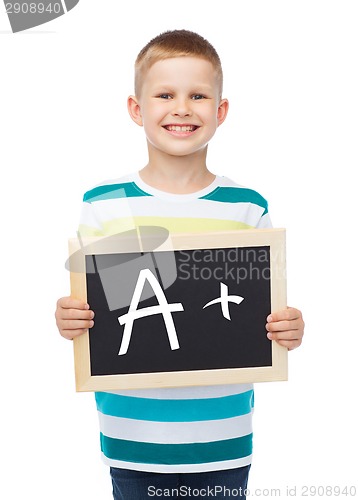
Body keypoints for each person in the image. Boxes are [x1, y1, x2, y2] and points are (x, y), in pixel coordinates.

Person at [55, 30, 304, 499]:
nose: (182, 108)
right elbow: (97, 310)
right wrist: (70, 318)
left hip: (222, 437)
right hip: (133, 437)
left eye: (198, 95)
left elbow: (266, 308)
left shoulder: (247, 206)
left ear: (220, 111)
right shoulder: (104, 204)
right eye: (165, 95)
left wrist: (289, 326)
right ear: (137, 108)